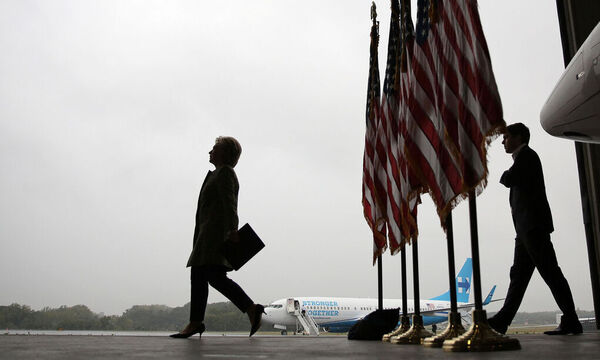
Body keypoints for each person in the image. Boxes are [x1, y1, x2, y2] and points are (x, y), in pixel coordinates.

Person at [487, 123, 582, 336]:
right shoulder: (523, 158)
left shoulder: (527, 156)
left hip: (532, 228)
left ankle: (571, 320)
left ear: (519, 137)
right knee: (519, 277)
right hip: (526, 230)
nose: (503, 141)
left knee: (550, 273)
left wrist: (504, 175)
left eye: (507, 137)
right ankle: (502, 320)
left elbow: (509, 179)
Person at [170, 136, 264, 338]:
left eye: (215, 148)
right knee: (208, 276)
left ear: (225, 153)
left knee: (207, 275)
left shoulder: (225, 173)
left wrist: (233, 229)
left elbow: (230, 203)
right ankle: (247, 309)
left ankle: (199, 321)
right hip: (207, 235)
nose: (210, 151)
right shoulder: (218, 174)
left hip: (214, 236)